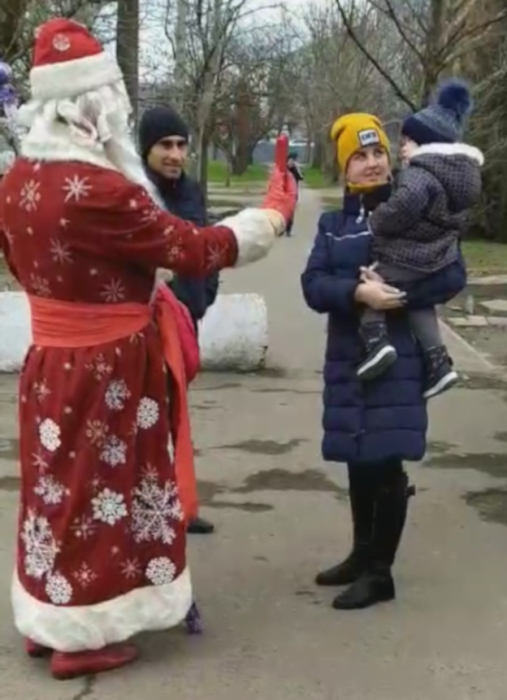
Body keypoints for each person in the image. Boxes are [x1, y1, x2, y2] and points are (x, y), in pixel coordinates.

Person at [0, 18, 295, 680]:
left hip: (49, 363)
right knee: (105, 488)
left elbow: (19, 265)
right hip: (104, 369)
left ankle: (48, 616)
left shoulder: (16, 181)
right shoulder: (101, 190)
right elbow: (194, 248)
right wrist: (271, 215)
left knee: (54, 488)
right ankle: (84, 632)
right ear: (95, 104)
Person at [301, 113, 465, 611]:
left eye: (378, 155)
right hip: (349, 358)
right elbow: (313, 285)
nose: (371, 164)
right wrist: (357, 291)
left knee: (385, 459)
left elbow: (452, 274)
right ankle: (360, 554)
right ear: (344, 167)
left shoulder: (415, 214)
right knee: (357, 457)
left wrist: (395, 293)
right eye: (360, 156)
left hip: (400, 361)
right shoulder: (333, 225)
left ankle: (380, 573)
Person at [356, 80, 483, 398]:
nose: (403, 146)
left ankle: (376, 342)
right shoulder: (459, 177)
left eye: (409, 140)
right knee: (420, 304)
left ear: (428, 143)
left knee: (374, 279)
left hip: (408, 255)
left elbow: (403, 207)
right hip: (437, 256)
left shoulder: (419, 174)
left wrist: (377, 220)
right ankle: (439, 363)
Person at [138, 105, 218, 536]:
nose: (174, 154)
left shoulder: (192, 192)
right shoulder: (132, 191)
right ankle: (148, 509)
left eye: (180, 144)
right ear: (146, 149)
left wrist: (203, 297)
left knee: (177, 414)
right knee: (143, 419)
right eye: (165, 145)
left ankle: (179, 502)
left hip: (186, 318)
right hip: (143, 327)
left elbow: (207, 247)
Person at [285, 151, 303, 236]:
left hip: (293, 193)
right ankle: (282, 227)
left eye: (293, 161)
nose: (291, 163)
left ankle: (288, 229)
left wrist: (298, 169)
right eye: (290, 161)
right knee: (283, 211)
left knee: (291, 211)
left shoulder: (295, 169)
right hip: (284, 193)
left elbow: (301, 177)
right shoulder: (283, 169)